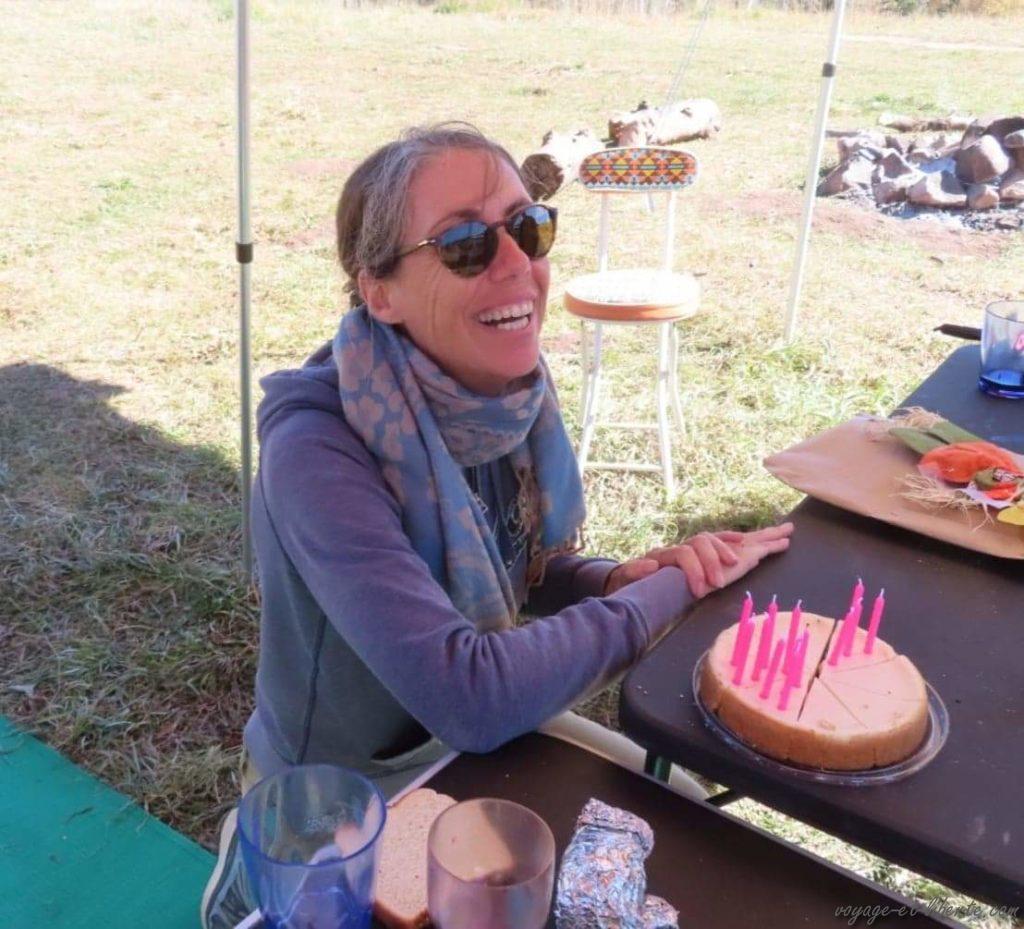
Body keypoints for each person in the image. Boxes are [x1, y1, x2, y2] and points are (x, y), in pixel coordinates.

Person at [201, 123, 792, 928]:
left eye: (528, 226)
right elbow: (470, 692)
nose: (518, 264)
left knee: (687, 816)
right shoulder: (319, 447)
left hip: (466, 754)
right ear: (379, 291)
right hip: (344, 794)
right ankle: (240, 889)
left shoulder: (495, 394)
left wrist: (612, 579)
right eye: (466, 245)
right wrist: (667, 593)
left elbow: (511, 562)